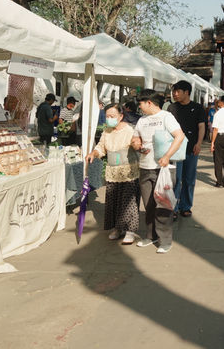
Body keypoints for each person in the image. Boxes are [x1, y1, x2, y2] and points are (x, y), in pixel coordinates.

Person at [131, 89, 185, 254]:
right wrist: (137, 145)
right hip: (145, 167)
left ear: (149, 102)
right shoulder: (142, 120)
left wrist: (168, 155)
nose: (139, 107)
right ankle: (150, 235)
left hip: (163, 169)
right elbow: (135, 138)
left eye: (140, 103)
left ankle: (165, 240)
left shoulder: (166, 117)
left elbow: (180, 136)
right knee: (148, 204)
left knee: (163, 204)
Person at [85, 103, 140, 245]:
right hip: (112, 171)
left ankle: (130, 231)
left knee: (129, 202)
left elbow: (137, 145)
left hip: (128, 171)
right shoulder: (107, 131)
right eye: (107, 116)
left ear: (121, 116)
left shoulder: (130, 130)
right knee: (113, 201)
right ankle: (117, 228)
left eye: (112, 116)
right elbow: (101, 147)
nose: (109, 119)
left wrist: (137, 145)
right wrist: (94, 153)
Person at [167, 80, 206, 219]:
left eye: (177, 92)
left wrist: (199, 143)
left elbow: (201, 126)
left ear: (187, 92)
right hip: (175, 150)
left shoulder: (198, 107)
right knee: (176, 180)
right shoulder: (171, 108)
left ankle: (186, 206)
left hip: (191, 149)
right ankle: (174, 207)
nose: (174, 94)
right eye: (173, 92)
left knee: (189, 180)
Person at [210, 95, 224, 187]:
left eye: (219, 100)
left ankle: (219, 181)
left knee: (218, 160)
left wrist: (212, 142)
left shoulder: (217, 114)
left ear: (222, 102)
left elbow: (215, 129)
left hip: (219, 136)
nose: (218, 102)